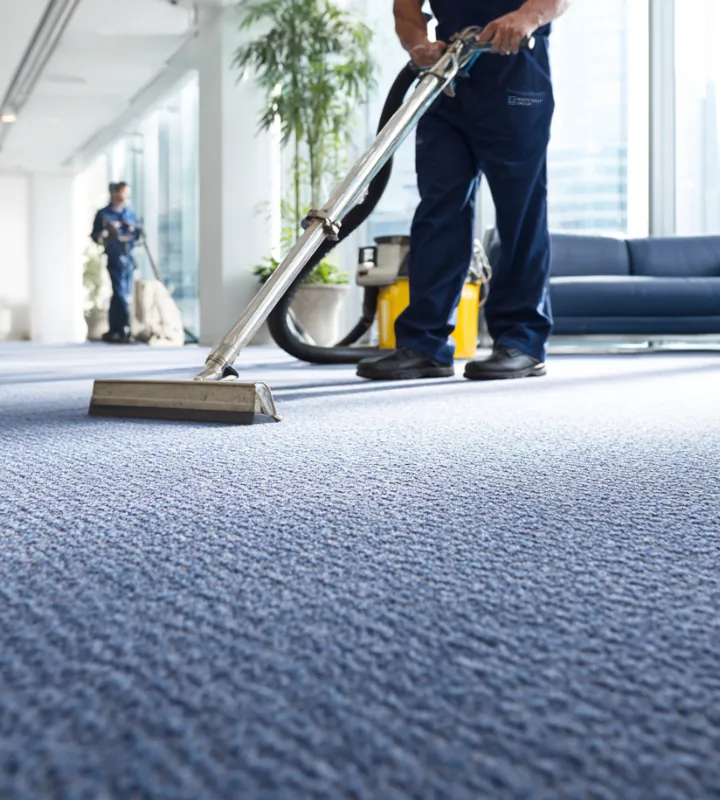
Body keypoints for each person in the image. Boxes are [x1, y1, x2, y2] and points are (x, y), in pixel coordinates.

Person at [357, 0, 572, 381]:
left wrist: (525, 18)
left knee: (519, 212)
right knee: (439, 209)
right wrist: (418, 45)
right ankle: (424, 344)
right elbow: (405, 10)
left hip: (515, 73)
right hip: (447, 77)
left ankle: (521, 341)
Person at [91, 181, 142, 344]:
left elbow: (137, 235)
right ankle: (124, 330)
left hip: (128, 258)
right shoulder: (104, 214)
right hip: (114, 256)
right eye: (123, 192)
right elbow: (95, 235)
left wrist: (135, 233)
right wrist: (104, 234)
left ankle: (115, 330)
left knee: (122, 293)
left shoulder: (130, 214)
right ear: (114, 193)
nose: (125, 196)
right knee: (121, 294)